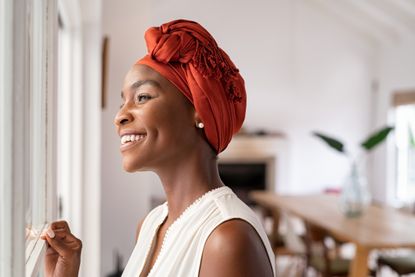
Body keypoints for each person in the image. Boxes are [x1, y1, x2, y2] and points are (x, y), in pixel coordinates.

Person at [41, 19, 275, 277]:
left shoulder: (226, 239)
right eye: (123, 102)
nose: (119, 116)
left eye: (142, 97)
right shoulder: (151, 224)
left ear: (199, 111)